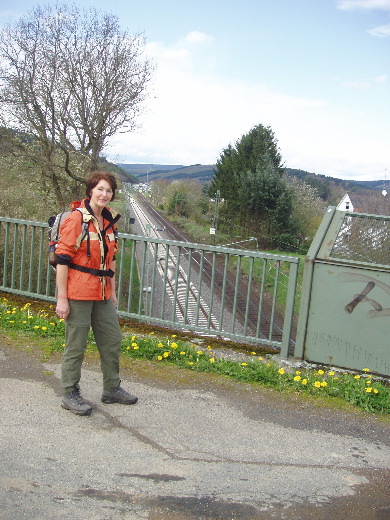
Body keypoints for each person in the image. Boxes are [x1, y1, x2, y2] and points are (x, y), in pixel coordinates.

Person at [55, 171, 138, 416]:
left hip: (102, 293)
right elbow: (62, 260)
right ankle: (70, 392)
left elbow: (110, 258)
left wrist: (111, 291)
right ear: (91, 190)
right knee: (76, 345)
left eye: (109, 190)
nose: (104, 194)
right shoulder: (76, 219)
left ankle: (111, 389)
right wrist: (62, 298)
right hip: (78, 292)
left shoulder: (109, 219)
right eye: (100, 189)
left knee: (112, 340)